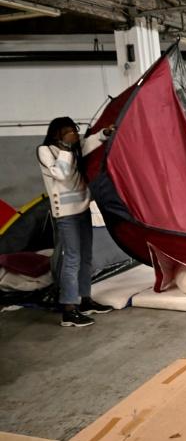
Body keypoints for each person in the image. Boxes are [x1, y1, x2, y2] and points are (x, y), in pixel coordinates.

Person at [37, 117, 115, 327]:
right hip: (65, 214)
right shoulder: (45, 151)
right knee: (72, 259)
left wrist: (105, 133)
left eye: (73, 130)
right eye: (67, 131)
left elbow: (91, 142)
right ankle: (69, 310)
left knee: (86, 257)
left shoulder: (75, 148)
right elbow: (61, 174)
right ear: (56, 133)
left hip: (83, 208)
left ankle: (85, 299)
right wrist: (65, 148)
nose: (72, 134)